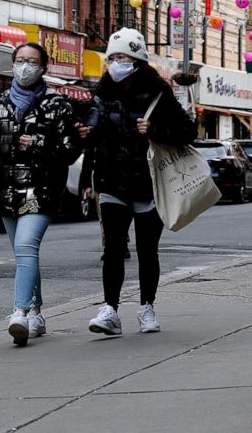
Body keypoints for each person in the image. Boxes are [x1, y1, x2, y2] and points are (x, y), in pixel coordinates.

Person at [0, 43, 81, 346]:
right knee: (25, 254)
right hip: (7, 192)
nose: (26, 66)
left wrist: (38, 143)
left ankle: (20, 313)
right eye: (21, 61)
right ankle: (36, 311)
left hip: (42, 190)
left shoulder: (58, 105)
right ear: (12, 65)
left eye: (32, 61)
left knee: (26, 246)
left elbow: (71, 149)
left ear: (43, 68)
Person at [78, 27, 197, 335]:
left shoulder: (159, 92)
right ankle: (110, 310)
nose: (117, 63)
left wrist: (154, 130)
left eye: (124, 57)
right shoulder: (102, 94)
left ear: (138, 60)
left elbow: (188, 133)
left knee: (147, 250)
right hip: (113, 182)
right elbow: (93, 139)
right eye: (113, 57)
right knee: (113, 249)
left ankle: (146, 307)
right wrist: (83, 140)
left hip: (149, 184)